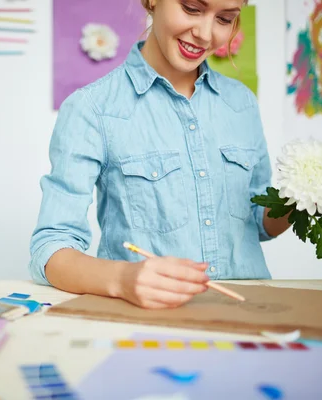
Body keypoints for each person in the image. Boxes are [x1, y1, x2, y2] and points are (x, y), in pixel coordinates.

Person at [29, 0, 291, 309]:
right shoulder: (93, 108)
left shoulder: (241, 103)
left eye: (224, 19)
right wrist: (123, 279)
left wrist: (303, 200)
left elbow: (259, 223)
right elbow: (51, 248)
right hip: (151, 323)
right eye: (192, 9)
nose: (205, 34)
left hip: (250, 314)